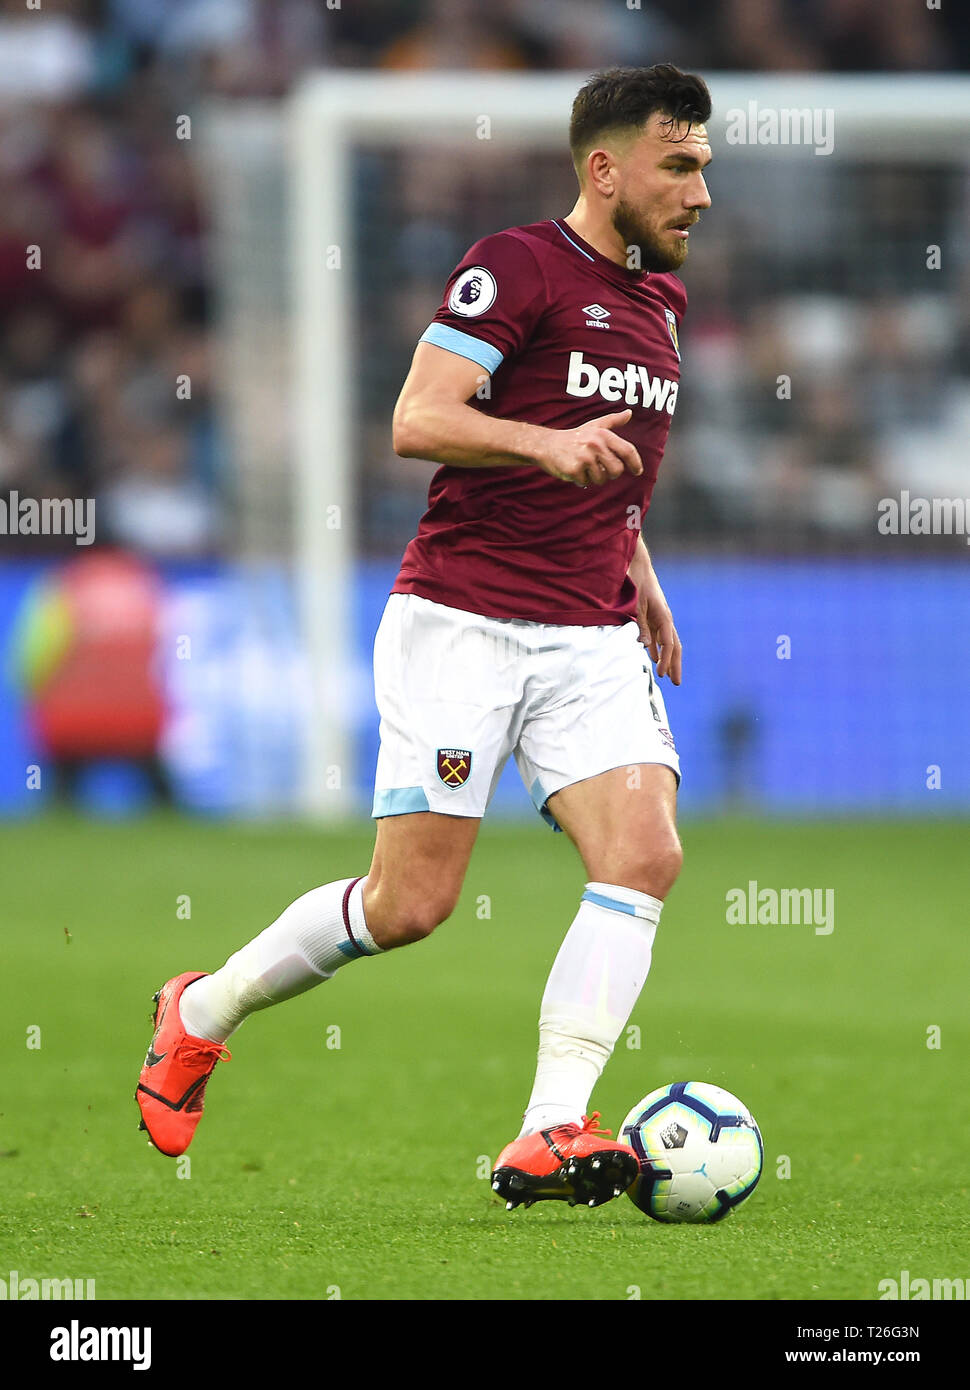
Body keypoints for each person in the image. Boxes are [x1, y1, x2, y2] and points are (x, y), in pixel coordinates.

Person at [135, 63, 713, 1213]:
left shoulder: (661, 305)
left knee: (645, 855)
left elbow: (619, 466)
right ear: (605, 169)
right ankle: (200, 1011)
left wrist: (638, 570)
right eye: (680, 165)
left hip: (589, 630)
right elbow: (417, 419)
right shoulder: (516, 267)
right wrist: (543, 446)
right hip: (463, 620)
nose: (701, 191)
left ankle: (549, 1127)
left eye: (704, 165)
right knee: (410, 908)